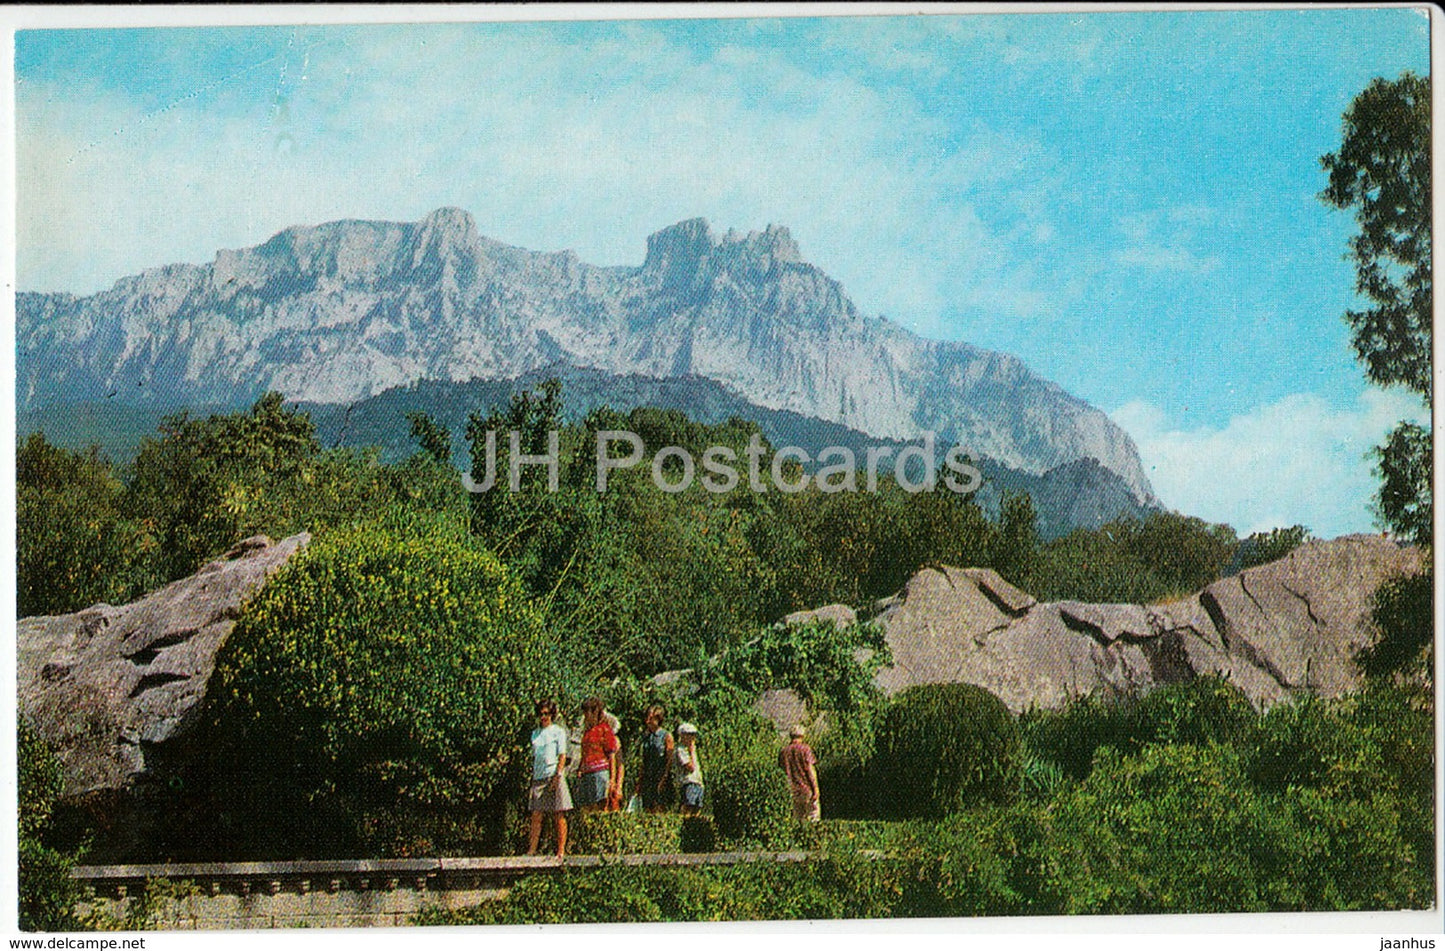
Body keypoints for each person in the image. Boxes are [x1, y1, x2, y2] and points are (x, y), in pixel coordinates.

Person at [526, 698, 572, 857]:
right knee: (536, 814)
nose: (543, 717)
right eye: (540, 714)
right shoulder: (535, 734)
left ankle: (561, 851)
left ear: (552, 714)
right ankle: (532, 850)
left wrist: (558, 776)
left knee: (558, 813)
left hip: (554, 775)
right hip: (539, 777)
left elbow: (562, 755)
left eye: (546, 713)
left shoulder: (558, 731)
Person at [575, 696, 620, 813]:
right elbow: (584, 753)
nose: (585, 715)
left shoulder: (605, 730)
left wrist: (612, 780)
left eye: (587, 712)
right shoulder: (587, 732)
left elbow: (611, 756)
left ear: (595, 712)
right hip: (587, 773)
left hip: (599, 773)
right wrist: (580, 769)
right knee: (587, 808)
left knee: (600, 807)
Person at [636, 704, 674, 814]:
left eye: (651, 718)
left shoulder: (666, 736)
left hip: (660, 776)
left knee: (659, 808)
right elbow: (644, 760)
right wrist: (640, 780)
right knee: (647, 808)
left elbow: (669, 759)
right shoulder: (646, 737)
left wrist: (664, 778)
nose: (647, 720)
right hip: (648, 777)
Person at [779, 725, 820, 822]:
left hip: (791, 791)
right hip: (806, 790)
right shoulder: (805, 750)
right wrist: (815, 789)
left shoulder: (783, 752)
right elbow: (810, 770)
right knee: (813, 819)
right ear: (802, 736)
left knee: (797, 820)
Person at [672, 722, 705, 816]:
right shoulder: (681, 750)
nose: (692, 738)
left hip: (697, 782)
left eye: (693, 735)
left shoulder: (690, 750)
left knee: (697, 809)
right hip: (688, 782)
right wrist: (692, 752)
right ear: (682, 735)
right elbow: (690, 767)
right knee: (688, 807)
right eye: (689, 735)